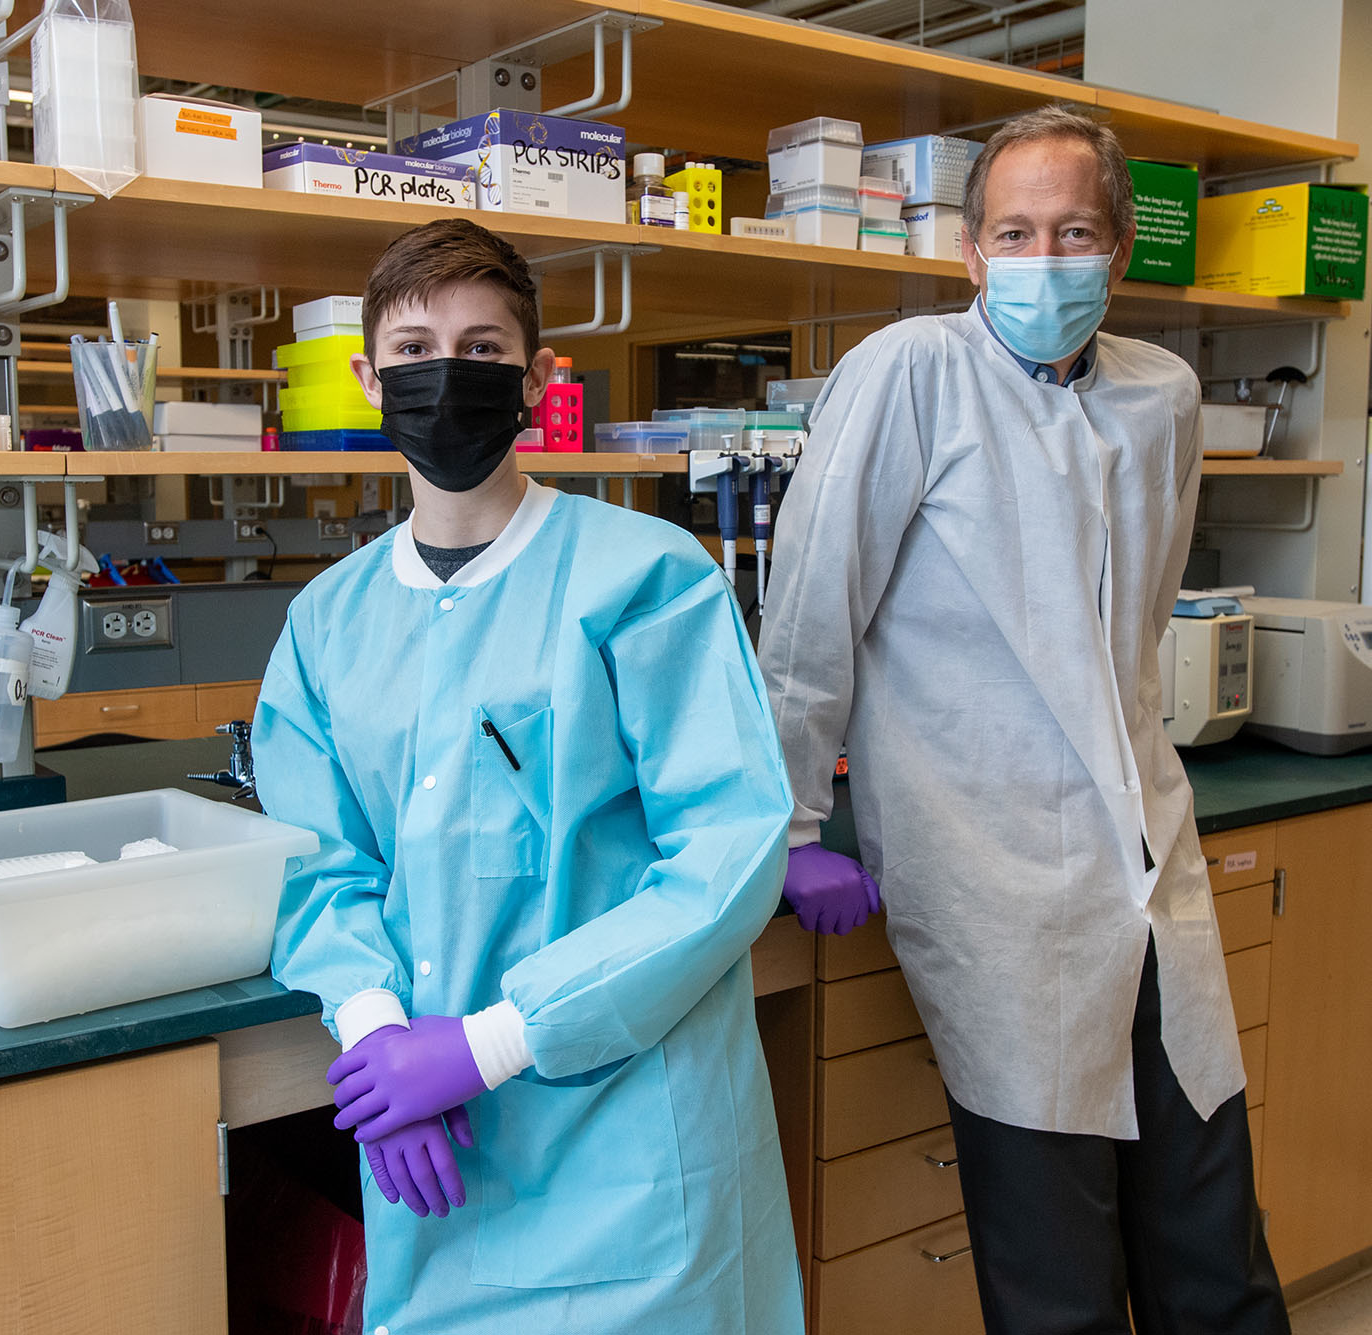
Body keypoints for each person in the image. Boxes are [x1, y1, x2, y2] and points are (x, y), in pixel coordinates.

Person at [757, 106, 1291, 1334]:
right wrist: (788, 824)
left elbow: (1139, 626)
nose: (1041, 256)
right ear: (968, 251)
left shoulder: (1161, 394)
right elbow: (806, 619)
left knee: (1213, 1244)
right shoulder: (907, 374)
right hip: (992, 874)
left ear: (1116, 256)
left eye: (1072, 232)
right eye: (1013, 230)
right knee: (1056, 1280)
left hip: (1152, 861)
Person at [253, 217, 805, 1335]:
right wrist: (374, 1049)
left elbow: (726, 857)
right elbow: (316, 863)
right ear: (367, 380)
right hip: (439, 1162)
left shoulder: (644, 577)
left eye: (480, 347)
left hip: (633, 1154)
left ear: (538, 378)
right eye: (411, 350)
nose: (441, 374)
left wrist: (489, 1043)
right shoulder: (327, 622)